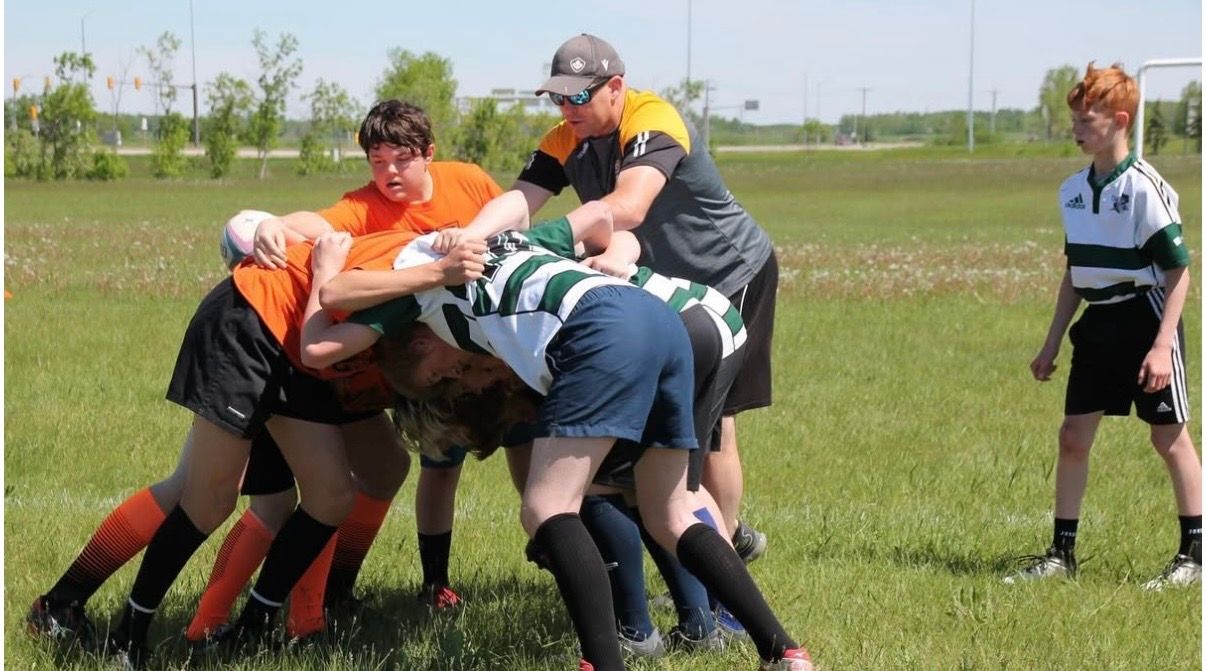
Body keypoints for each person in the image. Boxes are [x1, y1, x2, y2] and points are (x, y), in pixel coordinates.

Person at [304, 205, 814, 671]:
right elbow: (597, 217)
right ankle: (783, 652)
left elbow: (325, 327)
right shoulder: (510, 241)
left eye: (436, 377)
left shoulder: (412, 290)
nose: (452, 379)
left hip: (598, 329)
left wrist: (328, 269)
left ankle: (602, 663)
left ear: (417, 342)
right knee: (671, 511)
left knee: (547, 508)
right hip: (658, 317)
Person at [186, 97, 507, 634]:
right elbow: (322, 225)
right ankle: (235, 618)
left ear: (428, 154)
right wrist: (278, 223)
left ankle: (332, 594)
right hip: (348, 360)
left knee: (383, 470)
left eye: (401, 160)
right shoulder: (364, 205)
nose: (389, 174)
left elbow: (507, 228)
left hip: (434, 359)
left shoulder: (469, 183)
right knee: (269, 494)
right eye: (377, 162)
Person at [512, 33, 776, 563]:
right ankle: (714, 539)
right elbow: (520, 199)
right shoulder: (565, 136)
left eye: (579, 97)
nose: (568, 109)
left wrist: (547, 239)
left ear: (615, 87)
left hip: (727, 272)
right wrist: (474, 238)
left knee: (713, 423)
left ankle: (721, 551)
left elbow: (628, 208)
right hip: (661, 282)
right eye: (559, 99)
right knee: (668, 417)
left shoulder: (653, 119)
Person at [1005, 62, 1201, 589]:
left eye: (1086, 120)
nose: (1076, 129)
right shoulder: (1072, 190)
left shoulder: (1144, 188)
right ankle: (1061, 554)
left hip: (1146, 319)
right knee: (1073, 436)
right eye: (1074, 119)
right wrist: (1050, 344)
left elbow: (1179, 271)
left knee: (1169, 439)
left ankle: (1195, 556)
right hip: (1098, 326)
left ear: (1118, 120)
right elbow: (1075, 272)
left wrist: (1162, 348)